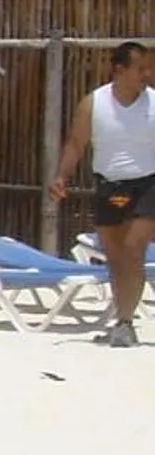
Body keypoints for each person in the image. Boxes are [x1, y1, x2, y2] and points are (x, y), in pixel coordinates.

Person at [51, 41, 155, 345]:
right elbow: (75, 144)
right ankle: (122, 320)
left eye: (147, 68)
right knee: (115, 257)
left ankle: (125, 321)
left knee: (134, 248)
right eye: (140, 69)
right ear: (119, 70)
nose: (146, 74)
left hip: (148, 184)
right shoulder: (93, 104)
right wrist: (61, 176)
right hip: (109, 185)